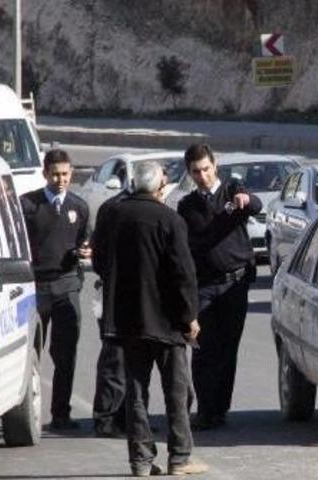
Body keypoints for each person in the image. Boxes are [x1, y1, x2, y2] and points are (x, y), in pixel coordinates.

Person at [103, 161, 207, 476]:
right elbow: (183, 273)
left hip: (128, 318)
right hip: (167, 320)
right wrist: (189, 316)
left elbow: (100, 261)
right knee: (177, 392)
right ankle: (179, 457)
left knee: (136, 392)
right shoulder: (170, 219)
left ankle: (140, 460)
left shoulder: (113, 215)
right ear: (160, 187)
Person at [177, 144, 261, 430]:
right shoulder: (187, 206)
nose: (202, 176)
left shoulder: (231, 192)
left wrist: (244, 197)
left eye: (206, 169)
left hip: (234, 284)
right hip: (204, 287)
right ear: (189, 173)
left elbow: (255, 205)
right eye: (196, 172)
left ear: (215, 166)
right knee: (203, 350)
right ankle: (205, 409)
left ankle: (220, 408)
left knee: (227, 349)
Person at [20, 149, 91, 430]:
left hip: (67, 284)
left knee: (65, 353)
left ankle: (61, 413)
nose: (60, 180)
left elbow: (85, 239)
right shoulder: (28, 205)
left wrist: (84, 251)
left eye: (65, 174)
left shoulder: (79, 207)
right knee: (29, 353)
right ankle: (21, 414)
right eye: (55, 175)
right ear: (45, 174)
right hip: (35, 288)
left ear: (71, 173)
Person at [90, 186, 131, 438]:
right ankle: (107, 419)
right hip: (115, 295)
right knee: (115, 358)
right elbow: (99, 258)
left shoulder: (120, 207)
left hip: (126, 295)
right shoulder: (115, 208)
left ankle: (127, 418)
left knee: (130, 360)